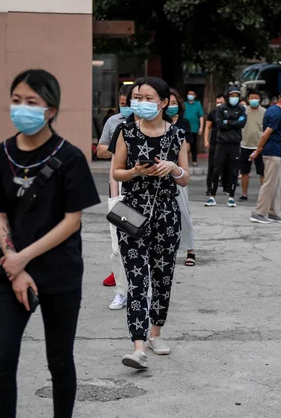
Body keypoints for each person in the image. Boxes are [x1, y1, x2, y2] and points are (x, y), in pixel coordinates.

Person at [0, 69, 100, 417]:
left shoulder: (71, 157)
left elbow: (71, 220)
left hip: (60, 274)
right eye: (16, 101)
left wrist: (23, 259)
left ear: (51, 108)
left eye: (31, 102)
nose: (22, 108)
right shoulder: (0, 154)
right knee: (1, 358)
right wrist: (14, 265)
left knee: (59, 361)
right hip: (12, 274)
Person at [113, 77, 190, 370]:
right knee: (136, 279)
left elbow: (185, 177)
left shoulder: (177, 134)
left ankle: (156, 333)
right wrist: (134, 171)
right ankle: (138, 346)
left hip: (167, 215)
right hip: (131, 212)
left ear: (163, 103)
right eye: (137, 97)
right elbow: (116, 173)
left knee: (162, 275)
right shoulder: (126, 131)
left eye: (147, 97)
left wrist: (173, 167)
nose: (140, 102)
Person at [99, 80, 143, 295]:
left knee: (139, 237)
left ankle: (139, 285)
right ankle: (120, 287)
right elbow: (101, 151)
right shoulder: (114, 123)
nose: (128, 106)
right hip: (118, 187)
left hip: (143, 190)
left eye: (133, 101)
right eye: (124, 103)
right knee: (118, 237)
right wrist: (120, 149)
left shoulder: (149, 124)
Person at [249, 90, 281, 224]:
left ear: (279, 97)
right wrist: (257, 150)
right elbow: (265, 134)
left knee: (276, 184)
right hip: (272, 152)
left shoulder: (270, 110)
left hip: (275, 152)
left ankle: (273, 212)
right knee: (269, 184)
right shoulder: (278, 113)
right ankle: (259, 212)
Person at [205, 86, 247, 208]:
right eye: (232, 96)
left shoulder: (241, 109)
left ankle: (231, 197)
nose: (234, 98)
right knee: (216, 169)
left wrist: (227, 122)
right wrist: (233, 123)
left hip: (235, 144)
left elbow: (242, 123)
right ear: (227, 96)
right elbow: (219, 124)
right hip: (222, 143)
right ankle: (212, 196)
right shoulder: (221, 108)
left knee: (233, 171)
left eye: (236, 96)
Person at [169, 88, 197, 267]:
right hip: (159, 172)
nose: (171, 106)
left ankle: (190, 249)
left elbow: (185, 147)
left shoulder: (183, 123)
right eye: (168, 103)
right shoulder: (158, 122)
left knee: (183, 211)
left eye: (174, 103)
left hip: (178, 171)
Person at [238, 90, 266, 202]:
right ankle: (244, 194)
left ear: (259, 99)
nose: (254, 100)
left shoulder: (265, 112)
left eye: (256, 97)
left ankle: (263, 195)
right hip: (245, 145)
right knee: (245, 172)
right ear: (248, 99)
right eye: (252, 98)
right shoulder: (243, 111)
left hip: (260, 147)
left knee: (262, 172)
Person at [204, 94, 228, 196]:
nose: (219, 104)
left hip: (226, 142)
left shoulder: (229, 113)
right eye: (217, 102)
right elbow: (207, 128)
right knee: (212, 167)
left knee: (226, 166)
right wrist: (206, 140)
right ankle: (210, 187)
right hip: (215, 143)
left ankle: (227, 187)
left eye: (221, 103)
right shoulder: (212, 113)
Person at [184, 89, 204, 167]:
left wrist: (201, 127)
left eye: (192, 94)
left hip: (194, 128)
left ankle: (194, 160)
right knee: (185, 146)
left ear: (195, 96)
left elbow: (201, 116)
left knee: (194, 146)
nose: (190, 95)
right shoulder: (184, 104)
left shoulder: (198, 104)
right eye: (189, 94)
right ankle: (184, 161)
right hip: (185, 129)